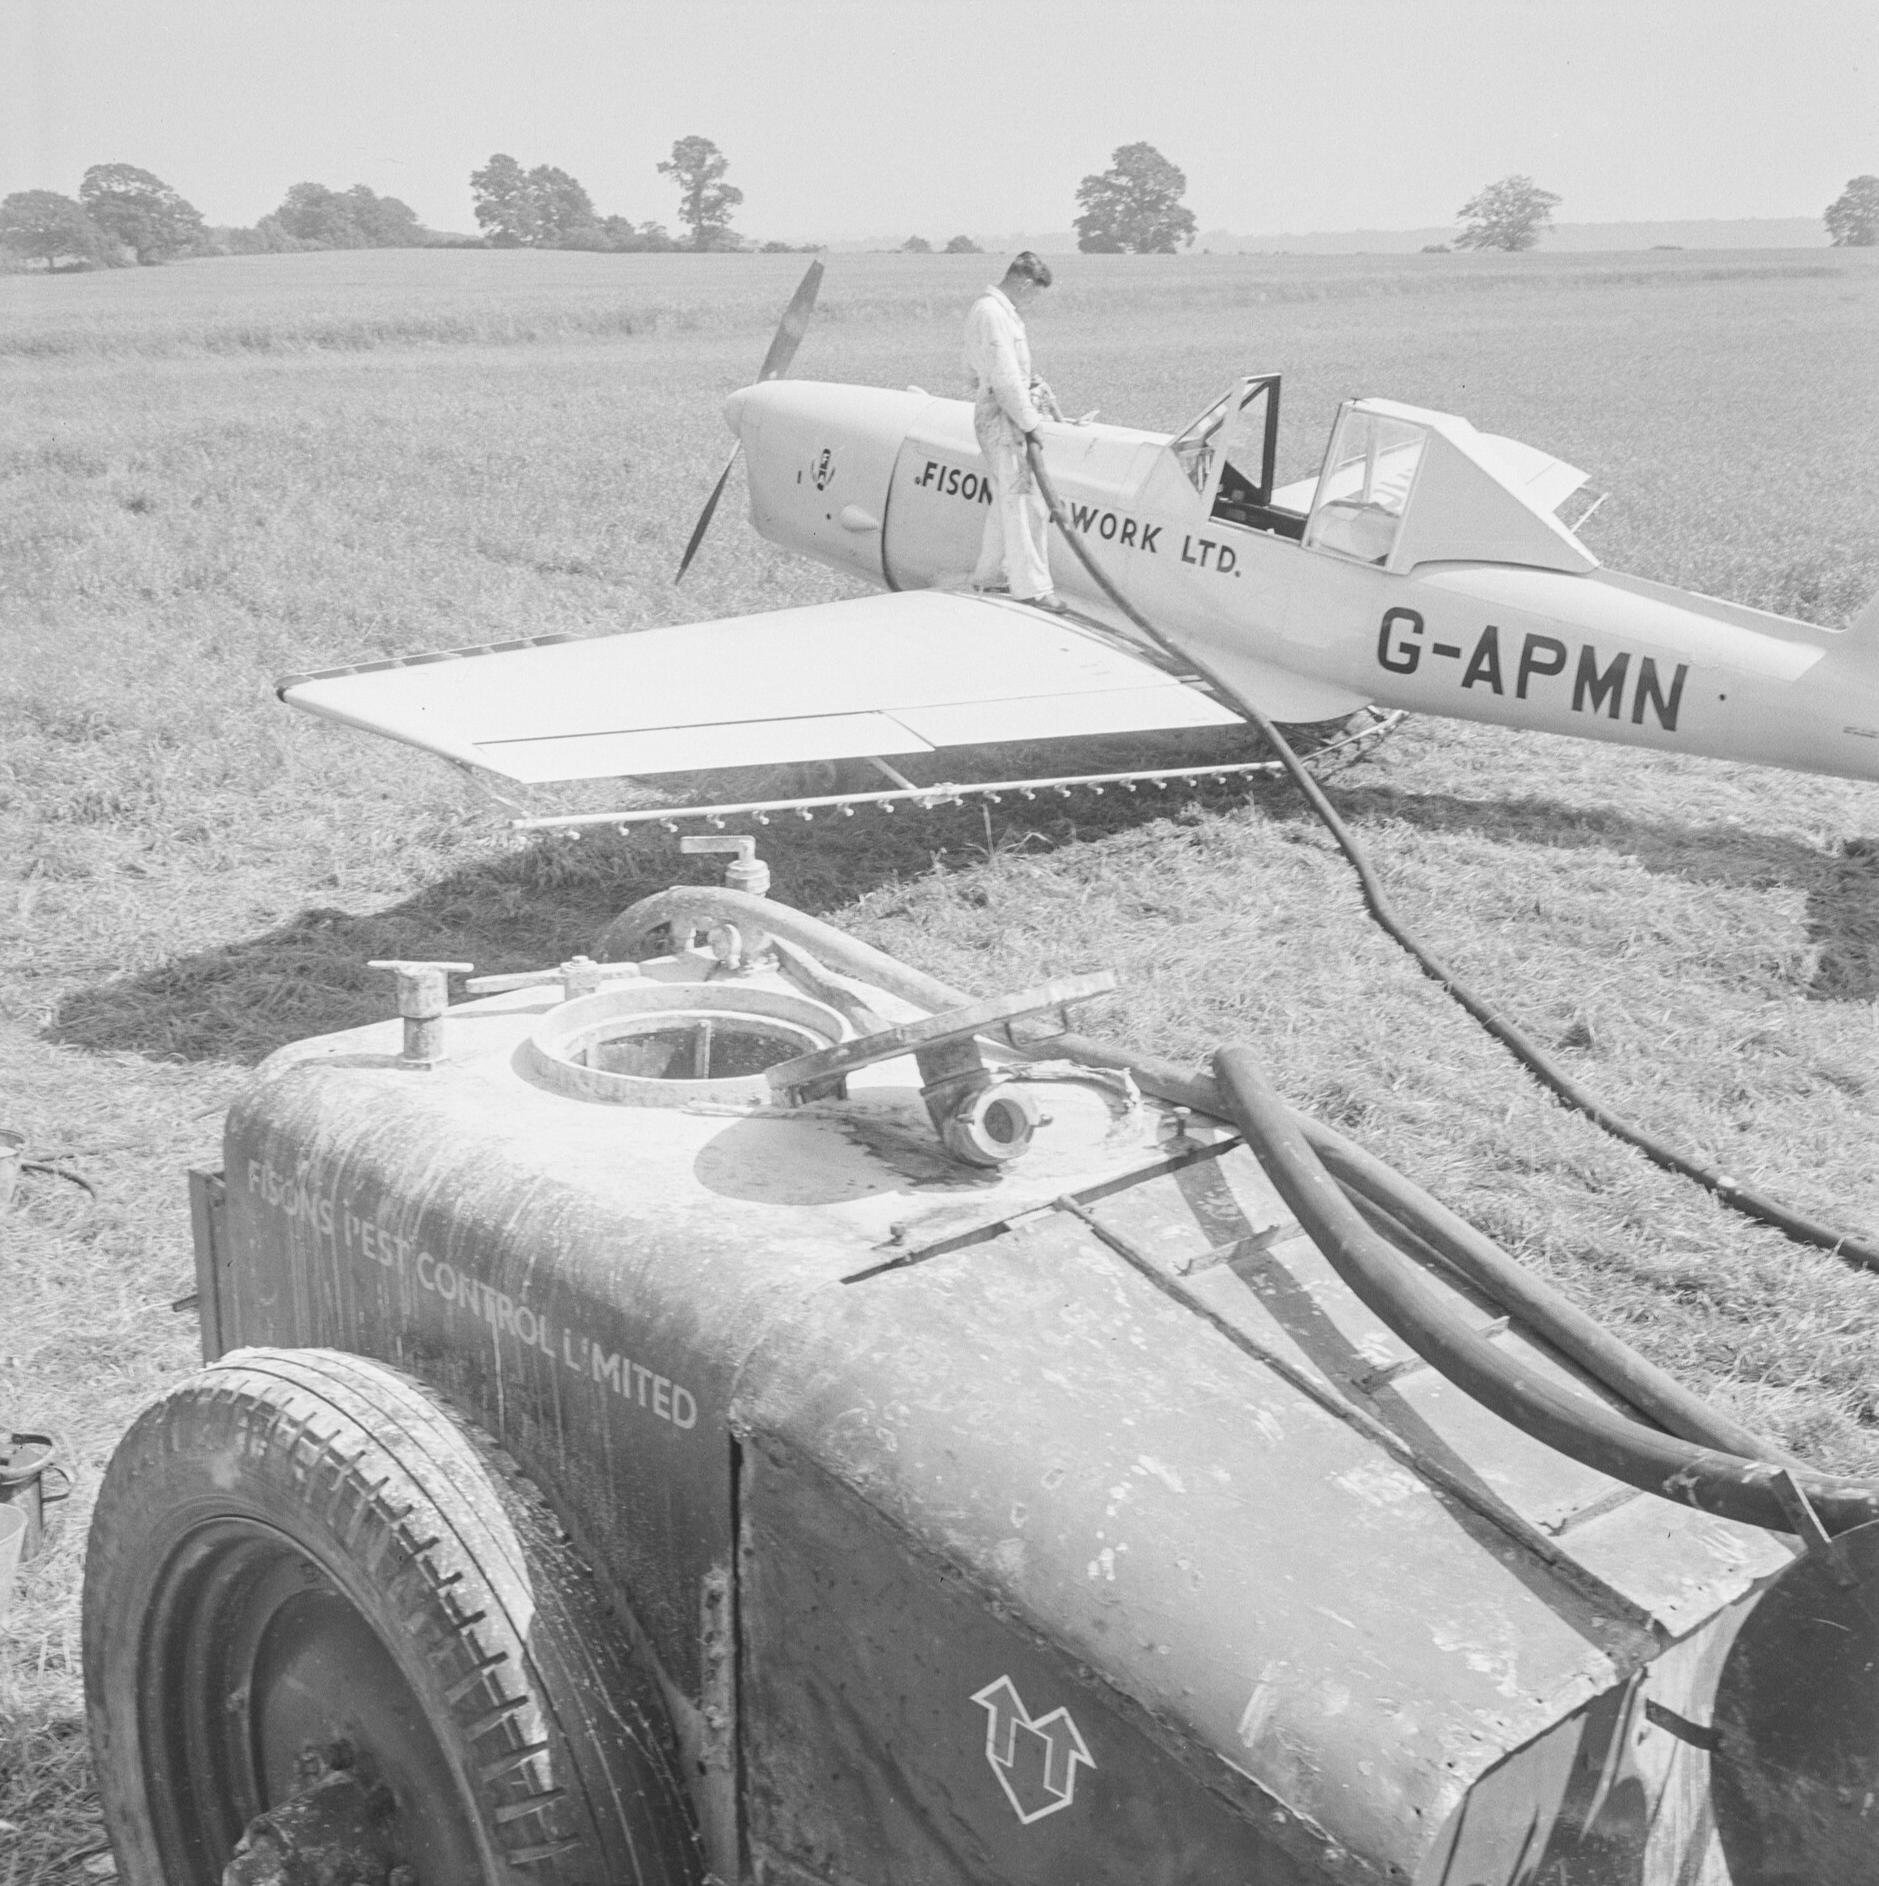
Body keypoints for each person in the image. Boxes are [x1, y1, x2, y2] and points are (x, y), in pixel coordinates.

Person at [963, 252, 1068, 609]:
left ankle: (988, 576)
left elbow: (983, 371)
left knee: (1005, 500)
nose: (1034, 301)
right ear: (1024, 282)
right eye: (1035, 293)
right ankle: (1034, 589)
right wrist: (1030, 422)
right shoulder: (993, 314)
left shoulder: (995, 312)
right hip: (1002, 417)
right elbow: (1005, 379)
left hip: (1000, 411)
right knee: (1026, 505)